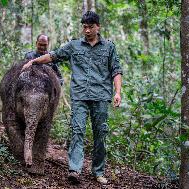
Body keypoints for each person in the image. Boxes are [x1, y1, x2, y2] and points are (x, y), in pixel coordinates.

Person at [23, 11, 123, 185]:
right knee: (77, 132)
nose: (87, 31)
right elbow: (54, 55)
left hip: (100, 97)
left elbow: (116, 70)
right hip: (80, 96)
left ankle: (98, 171)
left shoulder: (109, 47)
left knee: (100, 134)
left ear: (98, 27)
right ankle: (74, 170)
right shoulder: (74, 45)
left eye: (90, 27)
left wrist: (117, 92)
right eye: (84, 27)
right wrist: (34, 61)